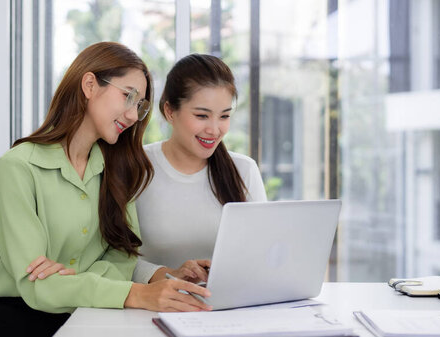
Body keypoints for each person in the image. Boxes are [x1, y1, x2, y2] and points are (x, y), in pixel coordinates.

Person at [0, 42, 210, 337]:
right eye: (128, 96)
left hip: (85, 311)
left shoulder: (117, 171)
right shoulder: (19, 167)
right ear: (89, 84)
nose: (131, 115)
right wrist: (135, 293)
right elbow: (36, 285)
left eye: (139, 105)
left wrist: (72, 279)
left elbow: (122, 259)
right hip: (8, 316)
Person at [27, 53, 265, 310]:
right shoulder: (134, 168)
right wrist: (166, 273)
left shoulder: (244, 170)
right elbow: (113, 253)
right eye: (202, 115)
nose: (215, 129)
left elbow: (260, 254)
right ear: (169, 111)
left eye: (225, 116)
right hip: (146, 309)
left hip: (226, 310)